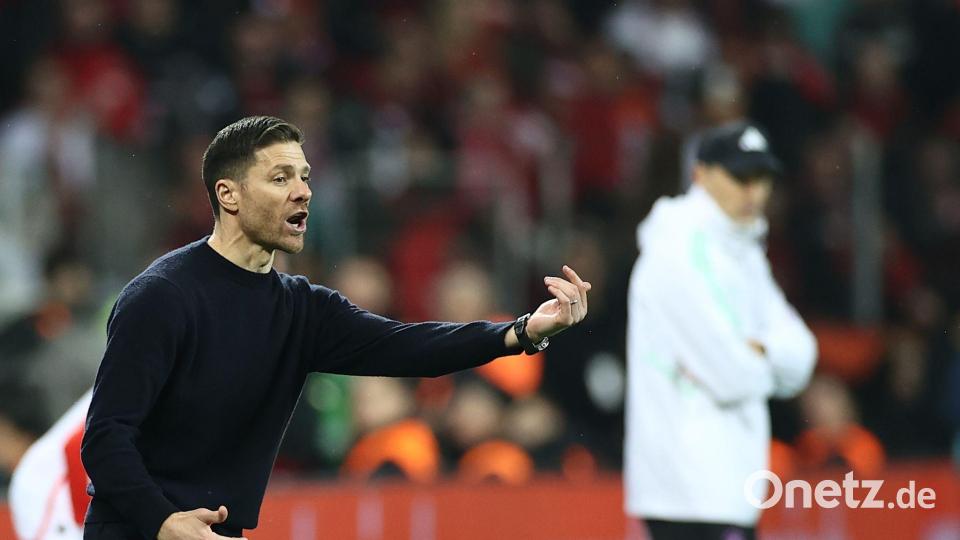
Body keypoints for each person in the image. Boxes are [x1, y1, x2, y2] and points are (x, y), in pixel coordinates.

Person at [80, 116, 592, 540]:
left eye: (305, 177)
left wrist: (522, 330)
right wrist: (164, 522)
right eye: (281, 178)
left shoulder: (303, 310)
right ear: (228, 195)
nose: (303, 192)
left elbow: (408, 346)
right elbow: (104, 438)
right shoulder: (162, 296)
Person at [624, 121, 817, 540]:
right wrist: (768, 358)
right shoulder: (675, 249)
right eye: (740, 177)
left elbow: (804, 354)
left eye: (762, 178)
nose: (754, 192)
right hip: (686, 492)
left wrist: (757, 352)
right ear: (701, 174)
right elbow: (732, 375)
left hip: (730, 487)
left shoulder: (743, 249)